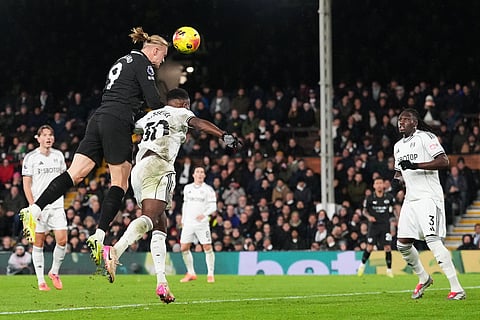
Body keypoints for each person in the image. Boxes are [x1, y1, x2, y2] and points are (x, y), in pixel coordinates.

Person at [19, 27, 169, 267]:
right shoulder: (144, 64)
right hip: (118, 120)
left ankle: (34, 209)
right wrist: (168, 112)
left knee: (74, 174)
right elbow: (153, 101)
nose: (162, 61)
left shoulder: (122, 60)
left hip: (98, 117)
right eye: (162, 56)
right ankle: (99, 235)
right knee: (119, 182)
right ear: (154, 50)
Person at [101, 88, 239, 303]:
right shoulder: (181, 113)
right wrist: (224, 135)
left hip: (139, 168)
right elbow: (199, 123)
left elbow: (125, 127)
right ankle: (115, 251)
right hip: (159, 165)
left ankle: (162, 283)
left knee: (160, 225)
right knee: (149, 219)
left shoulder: (150, 115)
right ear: (185, 104)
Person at [391, 108, 465, 300]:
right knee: (402, 244)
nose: (401, 122)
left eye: (405, 119)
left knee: (432, 240)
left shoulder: (426, 137)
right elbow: (400, 172)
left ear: (414, 123)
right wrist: (395, 181)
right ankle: (424, 277)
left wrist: (416, 165)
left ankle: (457, 288)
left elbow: (443, 161)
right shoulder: (398, 146)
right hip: (411, 199)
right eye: (399, 119)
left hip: (428, 197)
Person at [22, 125, 67, 291]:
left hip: (56, 205)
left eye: (51, 135)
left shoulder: (59, 156)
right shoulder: (30, 158)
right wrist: (33, 206)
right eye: (45, 135)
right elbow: (26, 184)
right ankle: (41, 281)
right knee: (38, 243)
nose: (48, 138)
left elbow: (63, 181)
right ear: (38, 138)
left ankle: (54, 272)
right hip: (39, 207)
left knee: (62, 240)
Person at [178, 166, 217, 283]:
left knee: (207, 247)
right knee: (184, 247)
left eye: (202, 172)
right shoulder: (187, 188)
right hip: (189, 223)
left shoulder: (208, 190)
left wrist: (204, 214)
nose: (200, 174)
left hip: (202, 224)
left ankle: (210, 274)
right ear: (193, 175)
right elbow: (185, 205)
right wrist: (183, 220)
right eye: (197, 172)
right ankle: (191, 273)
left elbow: (213, 206)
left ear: (204, 175)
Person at [357, 177, 395, 278]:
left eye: (380, 183)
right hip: (374, 226)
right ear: (374, 186)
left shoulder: (389, 197)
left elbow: (394, 210)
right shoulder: (370, 198)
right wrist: (369, 217)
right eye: (377, 183)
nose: (378, 185)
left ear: (383, 185)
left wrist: (394, 221)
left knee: (387, 247)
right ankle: (362, 265)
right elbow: (364, 211)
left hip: (385, 226)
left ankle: (389, 270)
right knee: (369, 247)